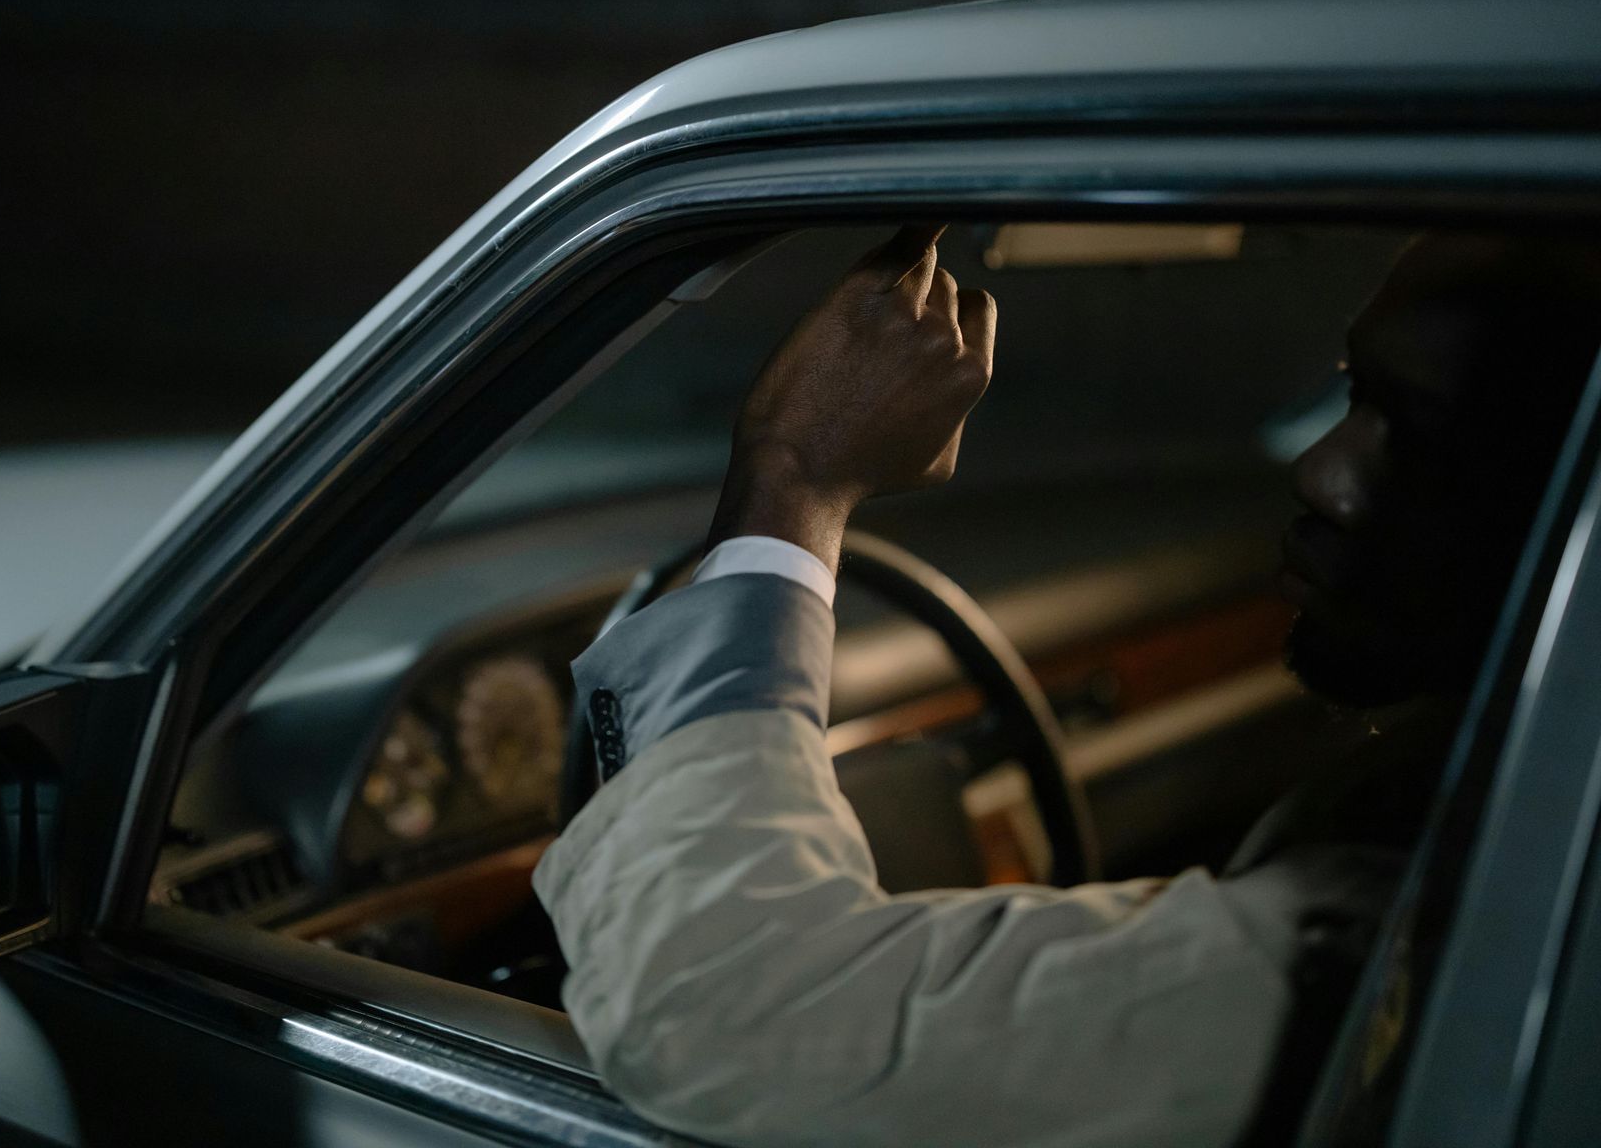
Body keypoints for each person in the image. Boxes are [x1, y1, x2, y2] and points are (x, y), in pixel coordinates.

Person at [532, 225, 1601, 1147]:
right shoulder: (1508, 820)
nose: (1319, 467)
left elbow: (720, 1007)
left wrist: (794, 477)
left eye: (1430, 439)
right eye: (1356, 396)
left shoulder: (1417, 944)